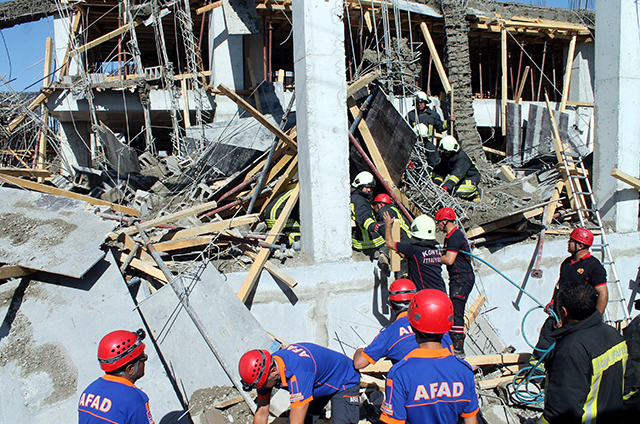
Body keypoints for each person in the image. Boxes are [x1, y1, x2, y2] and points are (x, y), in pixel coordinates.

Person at [380, 289, 479, 424]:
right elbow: (471, 420)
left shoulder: (399, 373)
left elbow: (394, 421)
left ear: (413, 326)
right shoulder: (464, 370)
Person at [535, 283, 627, 424]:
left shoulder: (570, 350)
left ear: (564, 312)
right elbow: (628, 381)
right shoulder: (613, 334)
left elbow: (561, 413)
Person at [532, 227, 609, 362]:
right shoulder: (567, 263)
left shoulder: (593, 267)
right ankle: (536, 374)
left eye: (571, 241)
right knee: (546, 339)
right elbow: (559, 285)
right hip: (560, 313)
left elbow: (603, 293)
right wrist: (553, 301)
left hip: (578, 318)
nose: (568, 243)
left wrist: (595, 317)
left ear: (580, 245)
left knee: (569, 348)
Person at [239, 343, 361, 424]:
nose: (261, 389)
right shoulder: (266, 370)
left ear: (273, 371)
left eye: (263, 386)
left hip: (344, 380)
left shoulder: (298, 374)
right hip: (317, 383)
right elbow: (261, 413)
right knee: (305, 419)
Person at [353, 279, 453, 370]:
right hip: (445, 377)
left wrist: (360, 349)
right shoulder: (434, 323)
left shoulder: (389, 332)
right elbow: (452, 354)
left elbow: (359, 363)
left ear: (391, 305)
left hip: (411, 382)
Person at [78, 329, 154, 424]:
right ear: (130, 369)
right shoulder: (135, 400)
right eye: (143, 358)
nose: (144, 362)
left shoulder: (89, 391)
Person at [435, 207, 475, 357]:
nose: (438, 226)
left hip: (462, 279)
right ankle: (455, 345)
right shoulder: (451, 237)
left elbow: (449, 259)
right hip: (458, 279)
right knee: (454, 310)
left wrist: (432, 258)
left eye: (439, 222)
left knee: (457, 312)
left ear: (445, 222)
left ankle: (458, 349)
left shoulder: (455, 237)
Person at [383, 213, 446, 293]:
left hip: (425, 295)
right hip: (442, 293)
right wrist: (399, 251)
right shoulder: (435, 250)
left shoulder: (413, 249)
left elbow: (389, 243)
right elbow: (412, 260)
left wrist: (388, 224)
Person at [350, 171, 387, 266]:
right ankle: (384, 255)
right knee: (393, 245)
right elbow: (364, 217)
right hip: (367, 240)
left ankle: (374, 254)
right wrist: (376, 227)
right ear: (359, 185)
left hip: (358, 240)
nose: (369, 190)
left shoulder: (354, 197)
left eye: (370, 188)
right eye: (366, 187)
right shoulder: (360, 201)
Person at [431, 136, 481, 201]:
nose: (445, 153)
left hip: (470, 178)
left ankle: (475, 194)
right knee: (451, 192)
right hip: (460, 179)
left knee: (458, 193)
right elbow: (441, 171)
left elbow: (456, 175)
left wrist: (446, 187)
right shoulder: (446, 157)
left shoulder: (462, 158)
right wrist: (436, 183)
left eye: (447, 152)